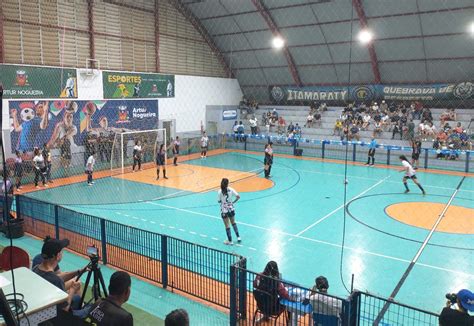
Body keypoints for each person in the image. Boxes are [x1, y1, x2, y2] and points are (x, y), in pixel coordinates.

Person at [32, 238, 89, 318]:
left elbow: (55, 277)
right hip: (56, 317)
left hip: (43, 310)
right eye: (62, 252)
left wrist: (78, 271)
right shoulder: (56, 281)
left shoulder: (36, 268)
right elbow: (64, 310)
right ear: (58, 256)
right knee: (91, 308)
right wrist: (72, 290)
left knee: (78, 299)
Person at [217, 178, 241, 245]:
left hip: (224, 209)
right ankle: (238, 237)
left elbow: (219, 201)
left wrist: (223, 201)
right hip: (231, 208)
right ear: (227, 183)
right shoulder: (231, 189)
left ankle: (230, 241)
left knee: (227, 225)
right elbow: (238, 196)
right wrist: (233, 202)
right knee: (233, 222)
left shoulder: (219, 191)